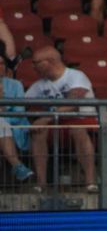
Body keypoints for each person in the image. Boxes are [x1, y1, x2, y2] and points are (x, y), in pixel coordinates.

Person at [25, 45, 97, 193]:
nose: (33, 67)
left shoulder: (76, 76)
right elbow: (22, 104)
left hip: (81, 120)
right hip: (56, 123)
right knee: (38, 132)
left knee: (78, 131)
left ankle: (90, 182)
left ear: (50, 61)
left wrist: (46, 118)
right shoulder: (40, 84)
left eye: (36, 63)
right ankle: (41, 183)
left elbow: (72, 105)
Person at [0, 51, 33, 183]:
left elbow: (19, 114)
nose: (0, 67)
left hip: (13, 127)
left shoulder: (15, 85)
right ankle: (17, 165)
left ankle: (18, 167)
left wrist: (2, 109)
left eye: (1, 63)